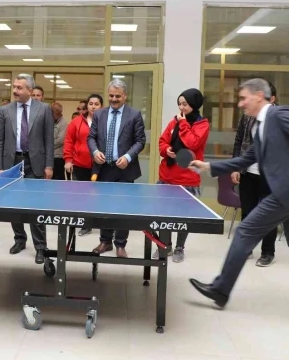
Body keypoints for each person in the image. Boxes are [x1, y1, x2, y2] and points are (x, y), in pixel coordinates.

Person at [189, 78, 289, 312]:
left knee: (245, 230)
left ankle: (220, 289)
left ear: (259, 96)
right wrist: (209, 166)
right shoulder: (259, 127)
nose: (240, 104)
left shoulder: (280, 115)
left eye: (243, 98)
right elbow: (246, 159)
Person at [0, 74, 54, 264]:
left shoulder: (44, 109)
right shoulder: (5, 110)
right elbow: (0, 140)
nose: (15, 90)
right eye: (14, 87)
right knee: (14, 205)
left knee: (35, 206)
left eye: (19, 87)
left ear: (30, 90)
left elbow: (49, 140)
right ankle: (19, 239)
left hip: (34, 163)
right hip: (12, 162)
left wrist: (49, 165)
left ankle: (41, 246)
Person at [88, 79, 146, 258]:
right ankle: (105, 241)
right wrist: (95, 151)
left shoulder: (134, 115)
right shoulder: (99, 114)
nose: (113, 99)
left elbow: (140, 141)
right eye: (111, 95)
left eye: (117, 96)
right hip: (104, 168)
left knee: (123, 208)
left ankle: (120, 244)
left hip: (125, 169)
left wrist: (128, 157)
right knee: (104, 207)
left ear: (125, 96)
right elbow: (91, 137)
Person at [156, 88, 209, 263]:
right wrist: (167, 150)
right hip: (167, 176)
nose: (181, 107)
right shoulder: (174, 122)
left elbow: (192, 142)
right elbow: (162, 141)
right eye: (179, 104)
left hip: (187, 178)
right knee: (164, 215)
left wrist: (183, 124)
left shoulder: (202, 125)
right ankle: (166, 245)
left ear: (194, 104)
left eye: (185, 104)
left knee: (182, 217)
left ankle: (180, 248)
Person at [231, 82, 279, 267]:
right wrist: (236, 167)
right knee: (247, 212)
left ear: (272, 99)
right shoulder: (248, 116)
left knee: (269, 215)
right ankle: (246, 248)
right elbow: (239, 141)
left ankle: (267, 252)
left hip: (270, 176)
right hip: (248, 172)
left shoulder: (279, 118)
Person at [64, 93, 103, 236]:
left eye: (96, 104)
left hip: (99, 166)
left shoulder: (105, 122)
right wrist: (68, 160)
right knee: (80, 196)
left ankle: (98, 222)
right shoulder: (76, 122)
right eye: (91, 104)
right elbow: (69, 141)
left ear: (101, 106)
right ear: (87, 106)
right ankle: (85, 224)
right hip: (79, 165)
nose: (93, 106)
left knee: (96, 195)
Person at [51, 102, 67, 180]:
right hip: (51, 156)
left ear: (57, 112)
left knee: (57, 179)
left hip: (58, 157)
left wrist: (47, 146)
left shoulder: (63, 124)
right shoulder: (52, 122)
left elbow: (60, 141)